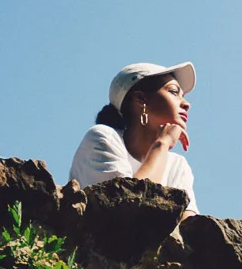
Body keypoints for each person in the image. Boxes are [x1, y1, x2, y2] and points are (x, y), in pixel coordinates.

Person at [69, 61, 198, 213]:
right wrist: (163, 143)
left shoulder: (177, 164)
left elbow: (189, 222)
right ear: (141, 99)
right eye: (174, 92)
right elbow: (131, 208)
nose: (186, 104)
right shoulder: (103, 138)